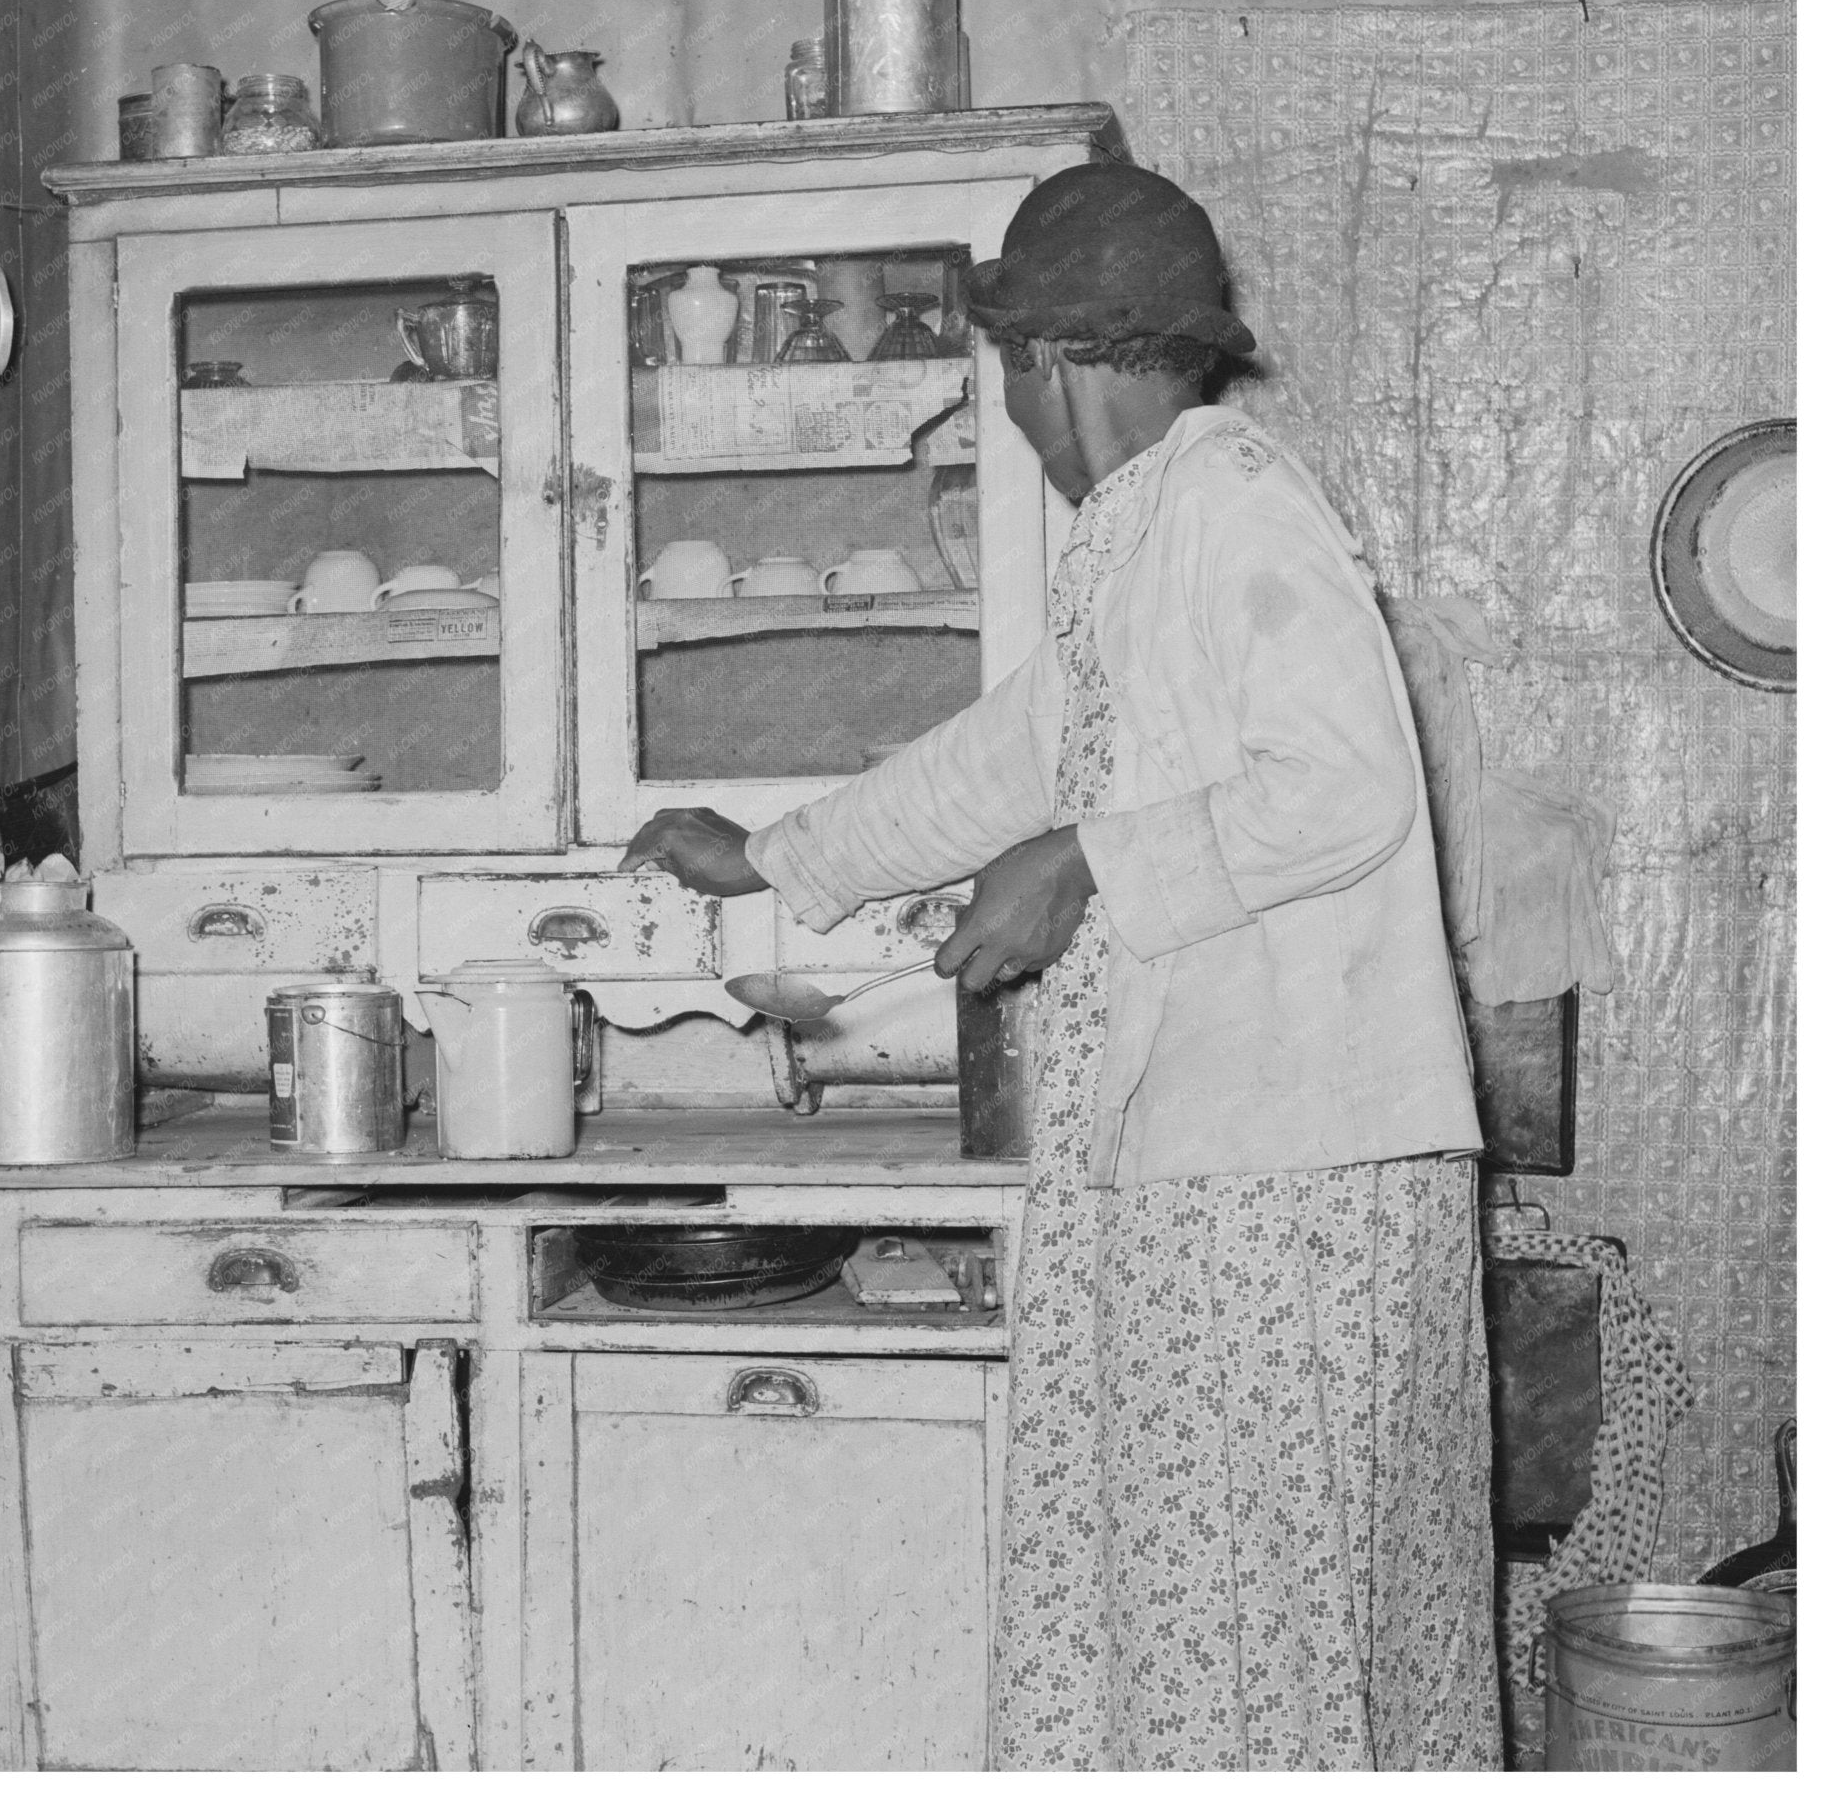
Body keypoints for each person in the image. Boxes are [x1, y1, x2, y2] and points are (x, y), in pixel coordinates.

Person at [619, 163, 1501, 1771]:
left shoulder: (1236, 504)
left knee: (1261, 1642)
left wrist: (1088, 861)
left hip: (1289, 1186)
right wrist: (772, 857)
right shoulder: (1140, 536)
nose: (1014, 412)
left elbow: (1345, 786)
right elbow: (1007, 761)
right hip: (1208, 1173)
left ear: (1050, 363)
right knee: (1203, 1629)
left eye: (1010, 374)